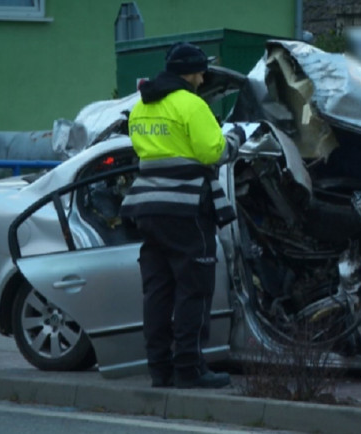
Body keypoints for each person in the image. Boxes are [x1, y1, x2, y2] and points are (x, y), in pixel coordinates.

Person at [120, 42, 246, 389]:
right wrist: (234, 138)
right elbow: (212, 151)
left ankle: (160, 369)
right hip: (187, 208)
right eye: (201, 70)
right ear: (190, 72)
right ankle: (190, 369)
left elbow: (143, 150)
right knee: (194, 289)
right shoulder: (192, 104)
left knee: (158, 291)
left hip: (147, 208)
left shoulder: (141, 107)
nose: (204, 76)